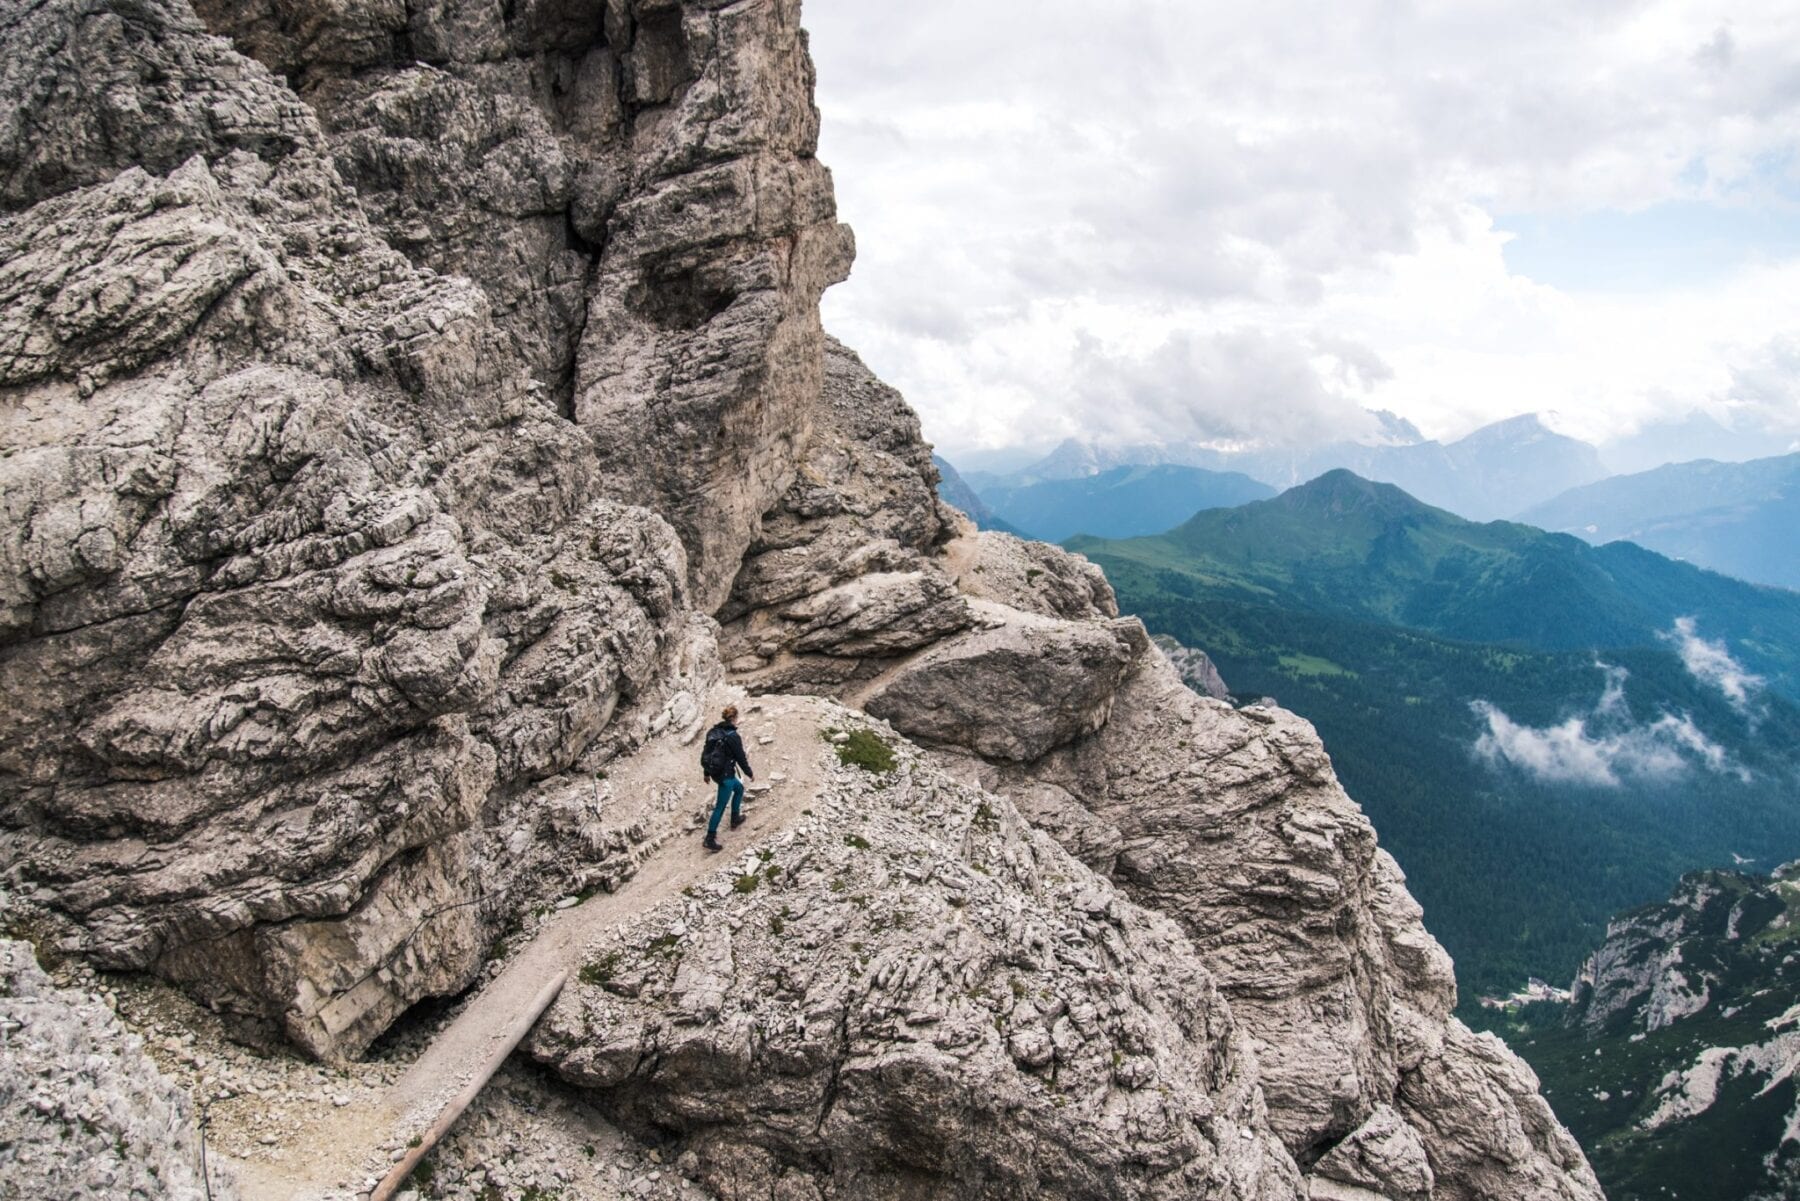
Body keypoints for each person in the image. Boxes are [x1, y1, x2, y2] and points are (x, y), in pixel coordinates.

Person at [700, 705, 753, 852]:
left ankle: (735, 817)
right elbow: (740, 757)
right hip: (725, 775)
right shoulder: (733, 736)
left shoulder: (714, 732)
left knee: (739, 788)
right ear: (734, 718)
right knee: (721, 806)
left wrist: (706, 773)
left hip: (716, 772)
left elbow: (707, 752)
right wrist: (749, 773)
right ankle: (710, 838)